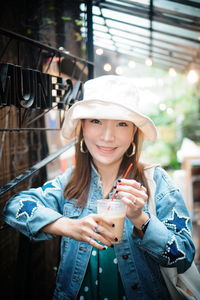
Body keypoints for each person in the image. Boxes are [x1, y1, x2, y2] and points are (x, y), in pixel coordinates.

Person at [3, 75, 195, 300]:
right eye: (96, 121)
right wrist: (67, 226)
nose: (107, 136)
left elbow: (183, 257)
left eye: (121, 124)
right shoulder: (71, 182)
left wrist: (140, 218)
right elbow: (13, 207)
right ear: (82, 127)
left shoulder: (156, 182)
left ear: (133, 132)